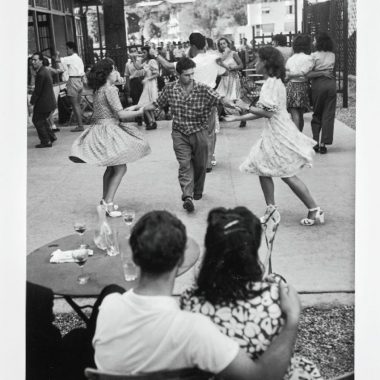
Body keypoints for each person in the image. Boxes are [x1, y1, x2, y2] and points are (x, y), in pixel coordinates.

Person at [93, 210, 303, 380]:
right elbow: (262, 377)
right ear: (182, 259)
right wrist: (292, 320)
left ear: (135, 258)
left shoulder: (108, 306)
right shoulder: (194, 330)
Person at [180, 207, 324, 380]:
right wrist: (292, 315)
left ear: (210, 248)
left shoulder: (190, 302)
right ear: (253, 249)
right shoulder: (277, 299)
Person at [224, 47, 324, 226]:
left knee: (287, 174)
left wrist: (244, 106)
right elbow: (265, 112)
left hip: (279, 133)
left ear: (266, 64)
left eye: (257, 60)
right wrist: (238, 117)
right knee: (262, 167)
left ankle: (314, 209)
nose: (254, 64)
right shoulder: (272, 82)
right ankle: (272, 210)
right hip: (276, 131)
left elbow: (267, 113)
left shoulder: (271, 84)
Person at [137, 57, 233, 213]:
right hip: (180, 133)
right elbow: (157, 104)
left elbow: (219, 98)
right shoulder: (169, 89)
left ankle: (197, 190)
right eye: (187, 74)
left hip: (199, 131)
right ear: (178, 74)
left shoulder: (202, 88)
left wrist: (229, 102)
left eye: (192, 74)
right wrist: (141, 109)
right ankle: (187, 196)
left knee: (201, 165)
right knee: (184, 164)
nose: (190, 77)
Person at [69, 59, 151, 217]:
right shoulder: (110, 89)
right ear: (106, 74)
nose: (116, 74)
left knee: (111, 167)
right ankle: (108, 203)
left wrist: (130, 108)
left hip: (100, 129)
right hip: (109, 130)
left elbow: (112, 111)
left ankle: (104, 201)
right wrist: (141, 111)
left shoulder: (99, 89)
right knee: (121, 167)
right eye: (114, 71)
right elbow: (121, 114)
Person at [150, 34, 226, 172]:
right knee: (210, 131)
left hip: (193, 98)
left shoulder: (191, 63)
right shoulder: (214, 59)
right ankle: (208, 161)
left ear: (193, 46)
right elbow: (225, 72)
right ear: (205, 45)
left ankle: (196, 159)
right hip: (211, 98)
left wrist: (155, 54)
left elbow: (167, 65)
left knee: (193, 132)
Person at [307, 32, 337, 154]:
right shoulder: (332, 55)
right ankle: (324, 144)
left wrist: (320, 73)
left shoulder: (313, 56)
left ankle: (315, 142)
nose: (313, 42)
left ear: (319, 42)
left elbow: (308, 74)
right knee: (328, 114)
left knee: (317, 113)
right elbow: (330, 71)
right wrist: (325, 72)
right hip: (331, 84)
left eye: (314, 40)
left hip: (318, 85)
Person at [285, 34, 314, 132]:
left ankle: (296, 137)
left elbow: (287, 73)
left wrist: (290, 75)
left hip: (291, 86)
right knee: (300, 114)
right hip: (303, 86)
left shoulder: (291, 59)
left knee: (294, 113)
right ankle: (299, 136)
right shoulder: (309, 58)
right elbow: (306, 72)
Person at [56, 41, 85, 132]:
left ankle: (80, 125)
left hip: (73, 80)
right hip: (80, 80)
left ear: (71, 48)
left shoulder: (71, 58)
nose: (67, 50)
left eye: (67, 49)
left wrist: (57, 54)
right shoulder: (79, 59)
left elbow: (57, 60)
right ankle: (80, 123)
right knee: (78, 104)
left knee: (75, 105)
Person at [30, 52, 57, 148]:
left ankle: (46, 141)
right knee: (42, 120)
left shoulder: (41, 73)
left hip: (44, 103)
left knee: (37, 120)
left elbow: (37, 91)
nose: (33, 62)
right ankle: (51, 136)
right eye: (32, 60)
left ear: (41, 61)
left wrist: (31, 103)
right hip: (48, 102)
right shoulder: (44, 70)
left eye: (35, 60)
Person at [137, 46, 159, 130]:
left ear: (148, 52)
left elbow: (157, 74)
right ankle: (152, 121)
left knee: (145, 104)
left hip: (151, 84)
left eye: (144, 52)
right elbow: (138, 67)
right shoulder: (145, 61)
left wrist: (147, 79)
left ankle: (151, 121)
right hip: (147, 84)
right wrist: (134, 58)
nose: (143, 54)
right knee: (146, 103)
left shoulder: (152, 61)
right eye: (142, 52)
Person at [215, 37, 243, 102]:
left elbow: (241, 65)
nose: (222, 45)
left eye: (224, 43)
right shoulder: (220, 55)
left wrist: (233, 68)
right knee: (223, 98)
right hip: (224, 78)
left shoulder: (233, 53)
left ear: (227, 44)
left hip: (233, 78)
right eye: (220, 44)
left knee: (233, 98)